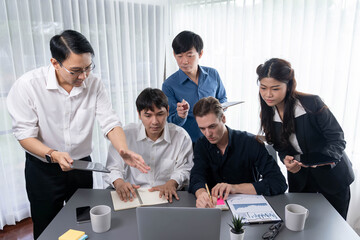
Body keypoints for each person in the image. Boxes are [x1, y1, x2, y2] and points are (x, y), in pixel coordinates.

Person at [6, 30, 150, 239]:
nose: (84, 76)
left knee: (83, 221)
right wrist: (54, 154)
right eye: (75, 71)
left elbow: (110, 122)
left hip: (81, 166)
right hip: (43, 169)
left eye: (88, 68)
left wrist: (123, 149)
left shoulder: (94, 84)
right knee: (46, 226)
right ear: (55, 63)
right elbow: (24, 135)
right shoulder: (28, 86)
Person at [256, 58, 354, 219]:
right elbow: (280, 146)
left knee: (334, 230)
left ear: (288, 86)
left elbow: (337, 139)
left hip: (333, 179)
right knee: (302, 228)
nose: (268, 94)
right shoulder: (267, 114)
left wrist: (317, 160)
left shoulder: (311, 103)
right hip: (301, 181)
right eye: (263, 87)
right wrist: (286, 160)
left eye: (275, 88)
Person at [188, 97, 287, 208]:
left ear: (223, 118)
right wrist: (201, 194)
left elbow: (278, 182)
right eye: (202, 128)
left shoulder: (250, 143)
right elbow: (197, 176)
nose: (208, 134)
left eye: (212, 126)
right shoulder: (201, 144)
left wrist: (234, 188)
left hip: (247, 208)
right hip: (213, 208)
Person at [104, 88, 193, 203]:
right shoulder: (124, 135)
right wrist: (119, 183)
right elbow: (113, 167)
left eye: (160, 114)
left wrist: (172, 183)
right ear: (139, 114)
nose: (155, 121)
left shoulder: (181, 136)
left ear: (168, 111)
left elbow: (185, 168)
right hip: (133, 196)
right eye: (148, 116)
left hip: (168, 195)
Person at [162, 30, 227, 143]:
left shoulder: (213, 74)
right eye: (179, 56)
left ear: (200, 54)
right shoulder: (169, 85)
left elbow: (222, 99)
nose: (184, 61)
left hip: (216, 137)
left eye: (189, 55)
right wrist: (181, 115)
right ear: (174, 54)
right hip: (188, 142)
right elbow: (170, 121)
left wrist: (221, 108)